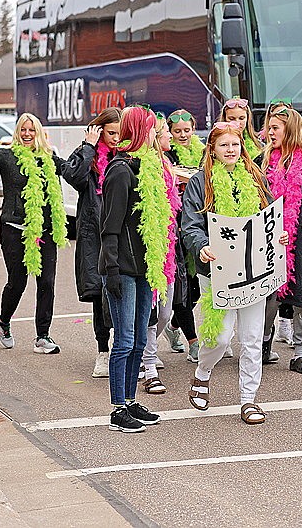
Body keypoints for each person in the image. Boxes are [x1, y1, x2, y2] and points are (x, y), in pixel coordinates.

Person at [180, 121, 287, 425]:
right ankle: (202, 374)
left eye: (235, 144)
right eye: (224, 145)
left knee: (253, 338)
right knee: (221, 337)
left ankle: (248, 400)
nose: (231, 150)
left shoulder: (254, 177)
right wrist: (201, 245)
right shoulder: (202, 182)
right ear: (212, 149)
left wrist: (279, 236)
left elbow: (270, 218)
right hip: (217, 271)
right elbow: (190, 224)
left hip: (255, 270)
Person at [0, 110, 68, 354]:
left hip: (44, 230)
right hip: (14, 228)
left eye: (31, 130)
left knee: (47, 282)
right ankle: (3, 320)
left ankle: (43, 336)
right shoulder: (8, 157)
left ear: (39, 134)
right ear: (17, 133)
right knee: (17, 282)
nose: (26, 134)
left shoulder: (49, 159)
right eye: (23, 130)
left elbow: (72, 169)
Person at [99, 106, 165, 433]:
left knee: (140, 338)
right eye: (152, 129)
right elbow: (109, 227)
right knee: (124, 340)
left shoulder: (145, 169)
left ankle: (130, 399)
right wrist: (111, 270)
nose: (156, 135)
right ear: (140, 131)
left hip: (141, 269)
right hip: (121, 268)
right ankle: (117, 408)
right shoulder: (120, 171)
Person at [259, 104, 302, 373]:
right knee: (269, 296)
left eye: (274, 128)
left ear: (290, 130)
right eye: (269, 127)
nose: (269, 132)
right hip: (270, 238)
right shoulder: (262, 161)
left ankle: (300, 352)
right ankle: (264, 342)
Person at [61, 107, 121, 378]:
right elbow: (72, 177)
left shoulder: (128, 154)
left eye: (120, 133)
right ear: (98, 131)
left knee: (125, 291)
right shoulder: (88, 155)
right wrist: (88, 146)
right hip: (95, 233)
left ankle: (131, 350)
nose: (116, 139)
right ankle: (103, 351)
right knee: (100, 294)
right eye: (110, 133)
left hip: (123, 233)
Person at [139, 116, 183, 394]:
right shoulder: (142, 166)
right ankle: (149, 366)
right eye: (166, 132)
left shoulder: (167, 164)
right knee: (151, 312)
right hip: (149, 249)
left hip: (167, 246)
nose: (169, 137)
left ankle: (147, 353)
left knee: (165, 312)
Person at [163, 109, 202, 361]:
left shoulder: (202, 151)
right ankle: (193, 341)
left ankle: (174, 325)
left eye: (187, 130)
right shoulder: (166, 155)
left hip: (198, 222)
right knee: (182, 287)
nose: (183, 135)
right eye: (177, 132)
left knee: (196, 289)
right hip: (176, 223)